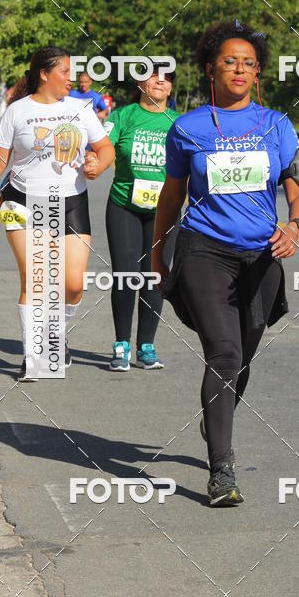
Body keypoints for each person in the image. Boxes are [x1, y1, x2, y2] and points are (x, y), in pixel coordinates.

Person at [152, 20, 299, 507]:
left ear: (257, 73)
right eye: (229, 61)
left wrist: (295, 227)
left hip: (261, 255)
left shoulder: (277, 126)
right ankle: (221, 470)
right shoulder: (188, 128)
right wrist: (159, 253)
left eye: (248, 63)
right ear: (210, 69)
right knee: (223, 354)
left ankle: (214, 415)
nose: (239, 69)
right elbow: (171, 197)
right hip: (205, 250)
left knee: (243, 354)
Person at [0, 46, 115, 381]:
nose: (71, 79)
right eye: (65, 72)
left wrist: (97, 165)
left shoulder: (81, 108)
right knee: (37, 278)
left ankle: (57, 333)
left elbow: (104, 148)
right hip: (22, 200)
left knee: (72, 285)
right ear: (44, 74)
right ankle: (35, 357)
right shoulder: (17, 111)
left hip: (71, 201)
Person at [93, 65, 179, 371]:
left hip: (164, 211)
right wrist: (95, 164)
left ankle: (146, 346)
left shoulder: (179, 124)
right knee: (126, 275)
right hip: (124, 207)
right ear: (140, 82)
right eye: (154, 75)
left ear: (171, 88)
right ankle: (121, 345)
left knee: (154, 277)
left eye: (167, 78)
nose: (160, 81)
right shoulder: (122, 117)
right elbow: (103, 149)